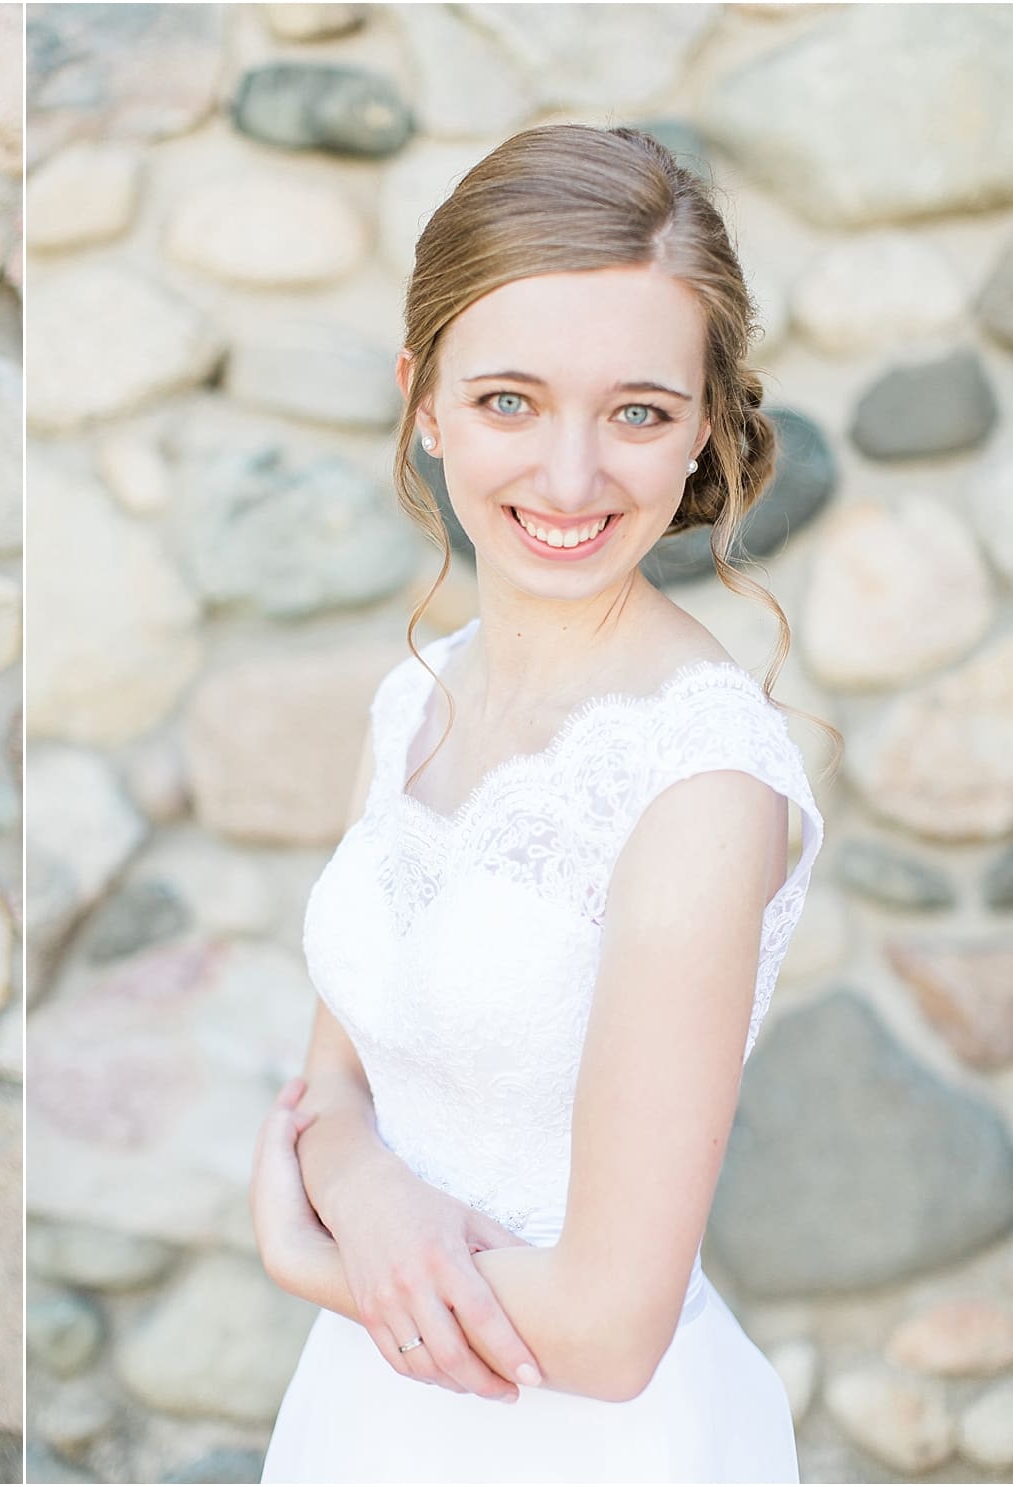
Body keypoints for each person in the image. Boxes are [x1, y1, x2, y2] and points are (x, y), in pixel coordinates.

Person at [249, 124, 835, 1483]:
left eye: (637, 411)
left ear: (702, 429)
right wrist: (370, 1187)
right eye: (511, 400)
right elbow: (333, 1079)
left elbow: (611, 1330)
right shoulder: (420, 697)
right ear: (425, 399)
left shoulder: (700, 783)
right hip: (363, 1415)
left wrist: (310, 1255)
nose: (571, 481)